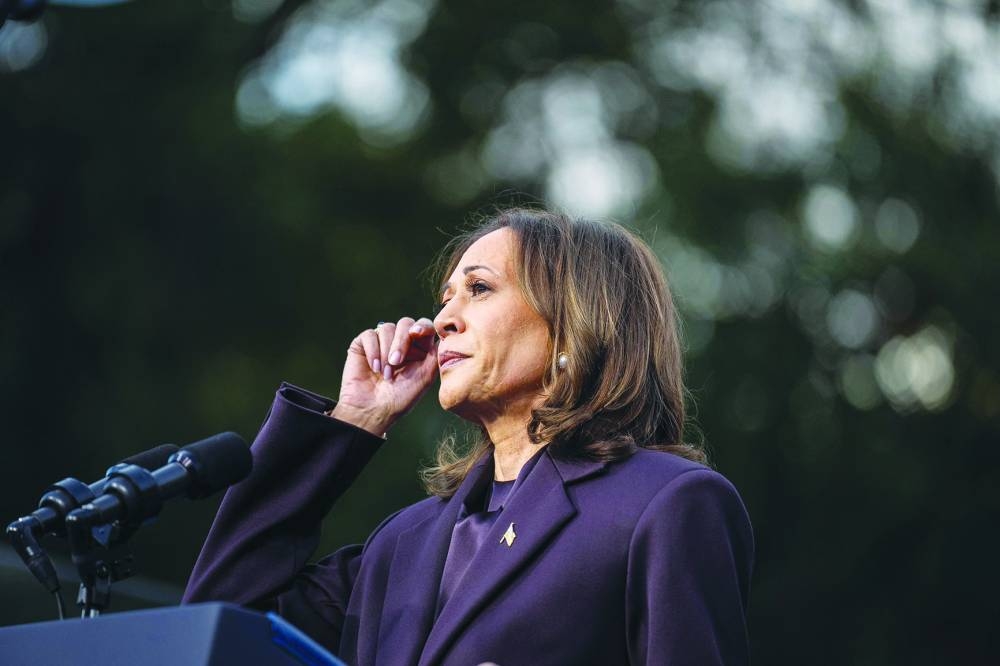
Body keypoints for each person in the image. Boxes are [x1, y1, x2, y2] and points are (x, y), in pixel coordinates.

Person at [183, 208, 754, 665]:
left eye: (479, 289)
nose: (441, 321)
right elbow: (216, 626)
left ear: (575, 325)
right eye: (445, 298)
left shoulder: (665, 504)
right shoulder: (402, 542)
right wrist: (355, 420)